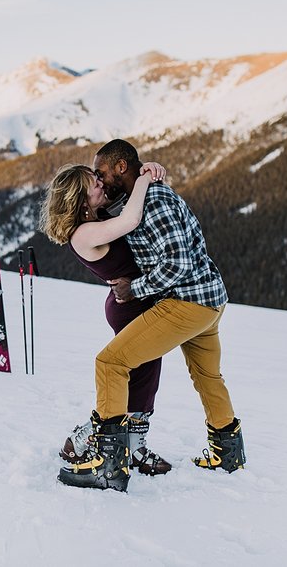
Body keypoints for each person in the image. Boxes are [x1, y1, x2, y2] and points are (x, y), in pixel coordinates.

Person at [59, 139, 246, 492]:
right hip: (208, 299)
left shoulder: (154, 203)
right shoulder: (138, 199)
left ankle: (108, 464)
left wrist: (135, 290)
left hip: (186, 302)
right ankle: (228, 453)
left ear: (120, 168)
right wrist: (149, 174)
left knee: (110, 363)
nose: (99, 180)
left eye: (101, 172)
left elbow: (177, 263)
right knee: (207, 376)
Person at [40, 162, 172, 477]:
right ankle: (85, 438)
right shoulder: (83, 234)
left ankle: (134, 443)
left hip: (137, 301)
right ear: (81, 199)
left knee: (145, 374)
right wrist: (143, 178)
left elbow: (124, 198)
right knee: (135, 375)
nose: (101, 183)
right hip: (129, 306)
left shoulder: (96, 219)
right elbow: (132, 218)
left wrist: (145, 171)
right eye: (94, 182)